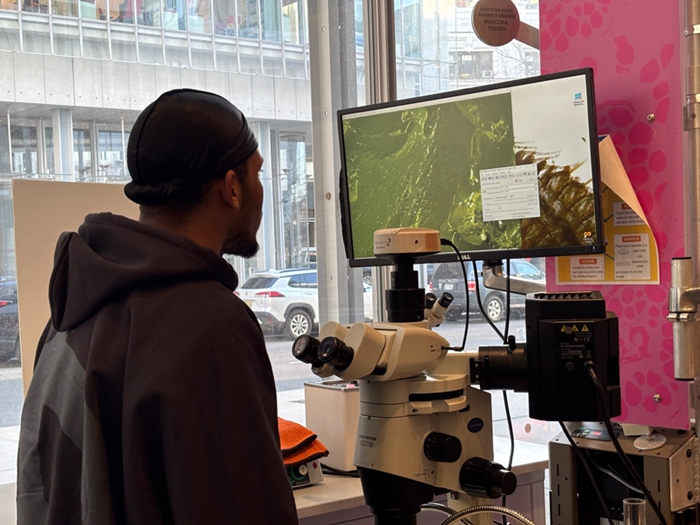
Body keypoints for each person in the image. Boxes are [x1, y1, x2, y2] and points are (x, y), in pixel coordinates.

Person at [16, 89, 299, 524]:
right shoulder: (209, 323)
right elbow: (245, 507)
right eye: (257, 173)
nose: (262, 189)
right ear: (231, 188)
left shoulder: (71, 307)